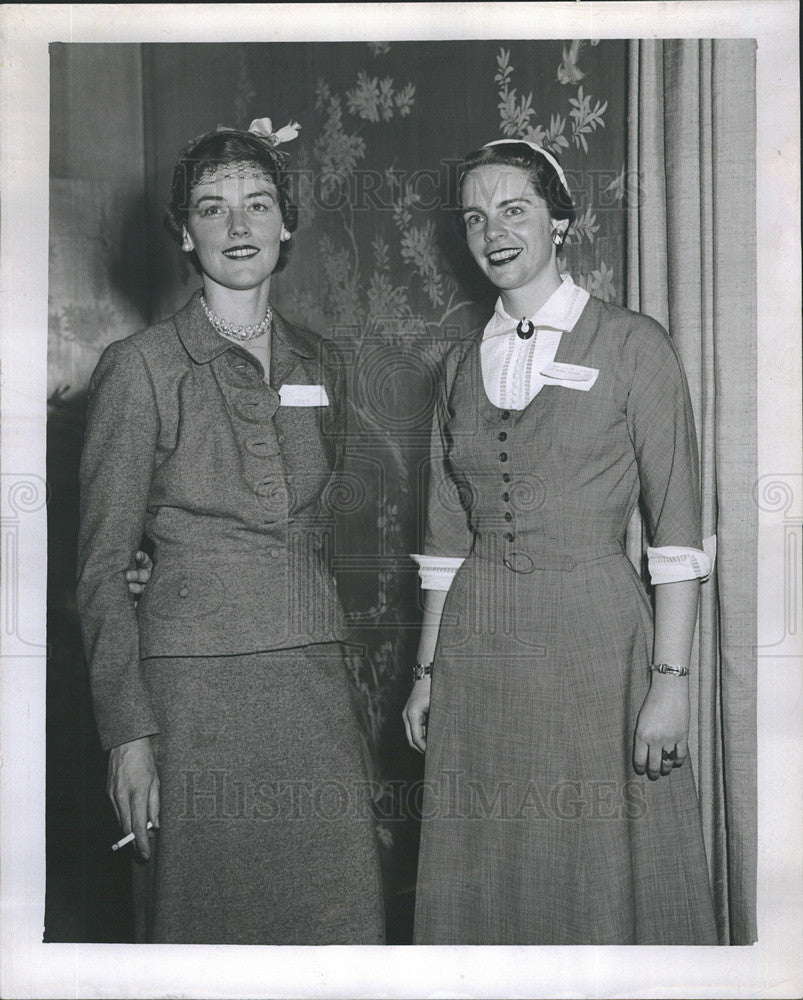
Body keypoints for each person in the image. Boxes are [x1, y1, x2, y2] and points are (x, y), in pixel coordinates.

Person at [402, 139, 718, 945]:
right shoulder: (454, 366)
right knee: (490, 863)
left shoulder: (631, 345)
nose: (493, 232)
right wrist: (426, 673)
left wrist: (670, 682)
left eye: (515, 209)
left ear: (560, 220)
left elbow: (676, 537)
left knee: (595, 863)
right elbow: (443, 543)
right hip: (476, 650)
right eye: (475, 217)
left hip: (596, 643)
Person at [77, 117, 385, 944]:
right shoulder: (138, 369)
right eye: (212, 209)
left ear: (286, 223)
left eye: (257, 205)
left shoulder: (325, 363)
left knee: (338, 920)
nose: (238, 227)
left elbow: (319, 535)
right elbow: (103, 571)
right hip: (189, 700)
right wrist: (127, 736)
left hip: (311, 685)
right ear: (185, 232)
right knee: (200, 930)